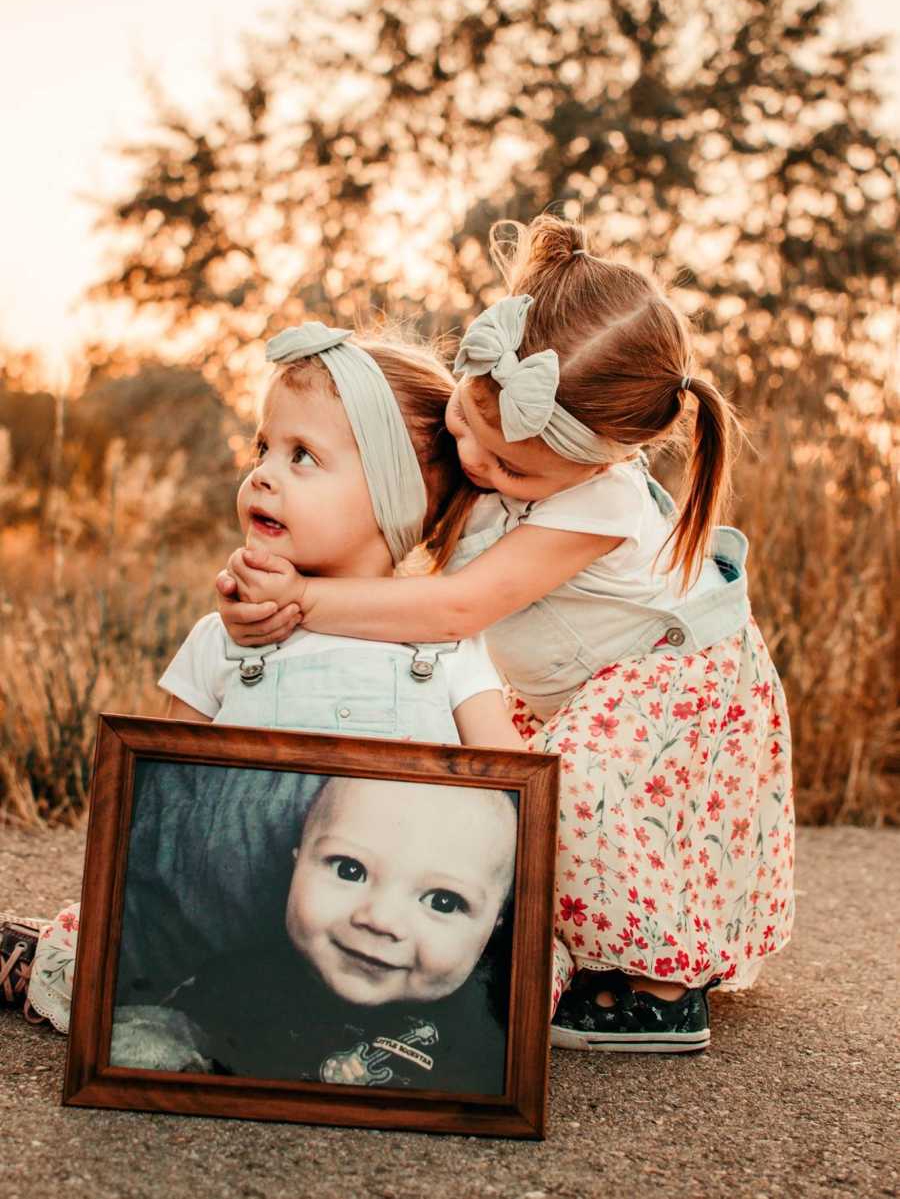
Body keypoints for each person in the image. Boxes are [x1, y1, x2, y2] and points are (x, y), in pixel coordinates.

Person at [217, 213, 795, 1053]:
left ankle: (660, 985)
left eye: (510, 467)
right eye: (462, 425)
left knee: (569, 792)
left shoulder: (602, 503)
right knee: (489, 796)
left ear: (600, 458)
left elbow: (457, 610)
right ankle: (567, 941)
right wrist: (266, 590)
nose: (476, 464)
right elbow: (394, 544)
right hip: (573, 678)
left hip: (671, 684)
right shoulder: (497, 440)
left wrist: (303, 601)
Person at [2, 323, 526, 1036]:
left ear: (395, 493)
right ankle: (50, 967)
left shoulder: (445, 646)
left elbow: (516, 789)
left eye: (303, 455)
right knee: (99, 969)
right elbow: (147, 792)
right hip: (221, 943)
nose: (262, 475)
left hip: (397, 941)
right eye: (263, 448)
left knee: (517, 994)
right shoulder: (227, 637)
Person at [110, 775, 517, 1093]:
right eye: (349, 870)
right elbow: (156, 1036)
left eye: (442, 902)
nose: (380, 920)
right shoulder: (238, 982)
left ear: (493, 927)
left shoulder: (497, 1033)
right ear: (295, 864)